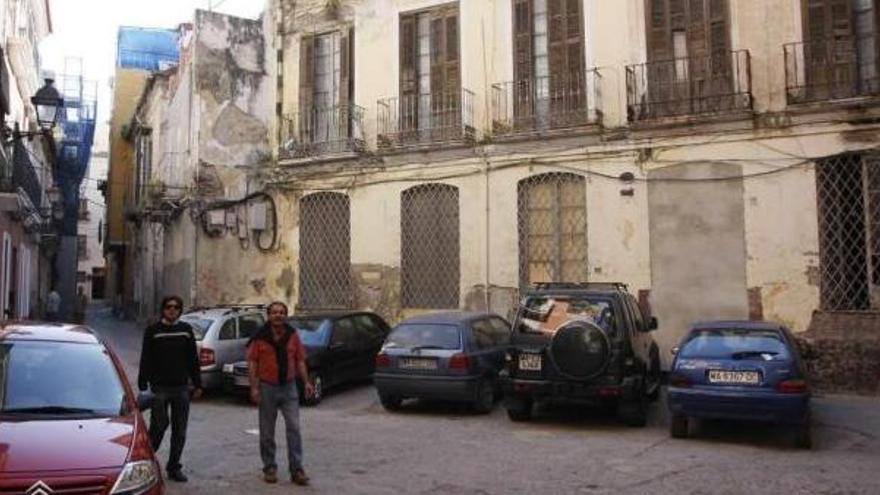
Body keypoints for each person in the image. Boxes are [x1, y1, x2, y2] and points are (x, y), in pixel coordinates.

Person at [246, 301, 314, 486]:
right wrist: (253, 387)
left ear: (286, 315)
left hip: (289, 387)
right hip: (267, 387)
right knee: (267, 431)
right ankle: (269, 467)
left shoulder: (293, 335)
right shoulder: (259, 337)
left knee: (294, 428)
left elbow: (300, 360)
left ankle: (297, 469)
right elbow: (252, 363)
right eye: (275, 312)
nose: (278, 315)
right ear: (269, 315)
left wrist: (306, 382)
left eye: (282, 312)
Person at [137, 295, 202, 483]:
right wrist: (143, 383)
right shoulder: (153, 331)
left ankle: (174, 467)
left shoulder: (186, 330)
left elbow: (192, 359)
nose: (172, 310)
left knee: (180, 431)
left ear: (180, 310)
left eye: (176, 307)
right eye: (168, 307)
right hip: (159, 388)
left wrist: (197, 384)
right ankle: (144, 462)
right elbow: (146, 358)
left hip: (181, 388)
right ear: (163, 309)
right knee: (158, 427)